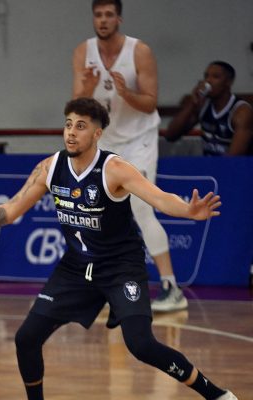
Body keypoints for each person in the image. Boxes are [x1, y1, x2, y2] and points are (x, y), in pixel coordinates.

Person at [0, 97, 242, 400]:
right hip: (76, 268)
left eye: (80, 126)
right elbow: (10, 211)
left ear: (97, 134)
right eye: (68, 124)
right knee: (27, 338)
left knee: (141, 344)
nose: (71, 132)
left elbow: (158, 198)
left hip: (120, 267)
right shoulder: (49, 168)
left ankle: (219, 398)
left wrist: (188, 211)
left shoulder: (115, 169)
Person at [72, 0, 186, 313]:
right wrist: (88, 88)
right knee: (98, 213)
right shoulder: (83, 52)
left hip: (139, 140)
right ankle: (105, 287)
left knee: (142, 208)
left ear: (119, 19)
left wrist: (125, 93)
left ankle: (171, 287)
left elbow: (150, 104)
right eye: (98, 15)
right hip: (106, 141)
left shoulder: (139, 51)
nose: (103, 20)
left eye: (109, 15)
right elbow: (76, 107)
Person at [165, 61, 253, 156]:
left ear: (228, 82)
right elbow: (170, 135)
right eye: (206, 76)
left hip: (232, 165)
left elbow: (234, 159)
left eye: (215, 77)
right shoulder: (202, 105)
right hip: (208, 163)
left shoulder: (241, 112)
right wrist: (192, 104)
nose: (208, 81)